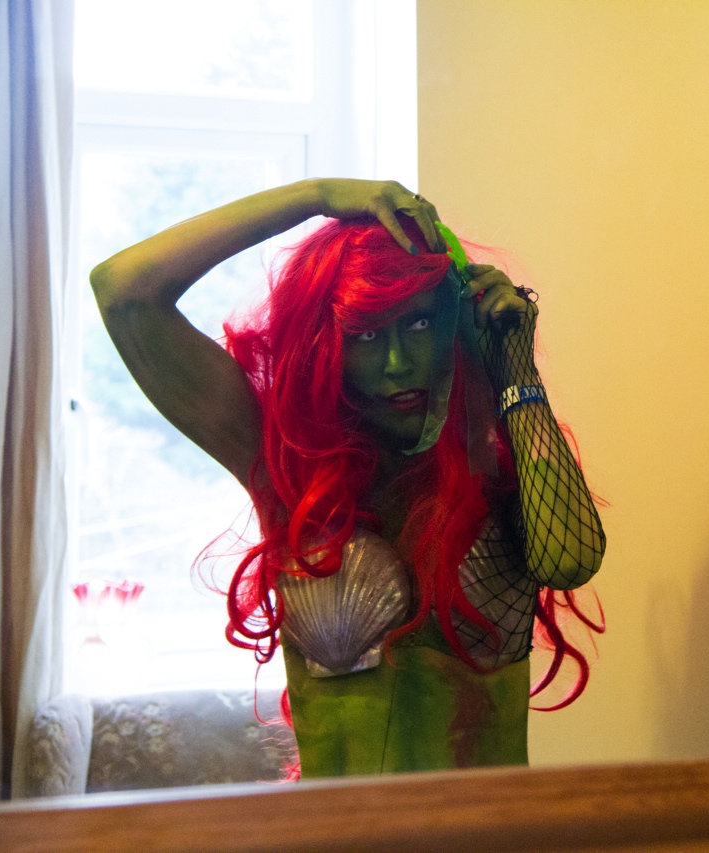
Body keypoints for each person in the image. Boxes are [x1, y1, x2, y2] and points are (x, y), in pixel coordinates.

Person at [90, 178, 606, 776]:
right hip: (335, 824)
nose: (396, 362)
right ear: (325, 344)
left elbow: (570, 560)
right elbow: (123, 290)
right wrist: (318, 195)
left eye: (418, 325)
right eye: (364, 334)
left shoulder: (495, 465)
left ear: (452, 327)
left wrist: (515, 364)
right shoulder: (288, 470)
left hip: (488, 823)